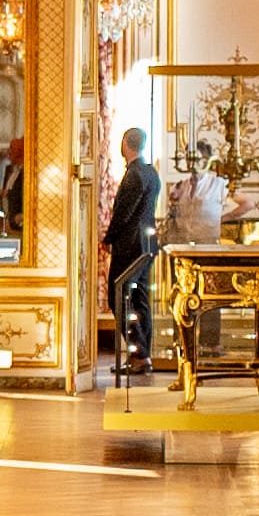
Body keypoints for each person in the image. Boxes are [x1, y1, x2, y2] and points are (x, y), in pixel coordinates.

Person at [103, 124, 162, 366]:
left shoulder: (135, 174)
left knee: (118, 295)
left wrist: (108, 238)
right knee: (140, 299)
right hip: (147, 244)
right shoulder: (151, 172)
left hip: (130, 246)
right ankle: (143, 352)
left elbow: (124, 213)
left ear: (125, 144)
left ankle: (139, 352)